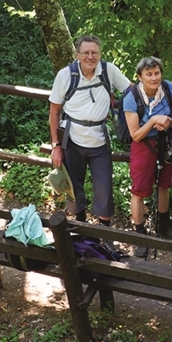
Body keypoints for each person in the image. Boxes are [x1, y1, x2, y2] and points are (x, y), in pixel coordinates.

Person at [49, 35, 131, 226]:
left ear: (100, 54)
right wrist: (56, 145)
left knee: (105, 189)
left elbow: (130, 90)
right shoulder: (65, 75)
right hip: (71, 139)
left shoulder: (108, 70)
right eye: (86, 52)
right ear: (77, 55)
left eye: (94, 52)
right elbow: (54, 112)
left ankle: (104, 233)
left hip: (100, 140)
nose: (90, 56)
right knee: (73, 187)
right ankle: (81, 227)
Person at [123, 56, 172, 255]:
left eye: (157, 73)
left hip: (166, 140)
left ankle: (163, 227)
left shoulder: (168, 88)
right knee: (139, 190)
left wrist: (168, 122)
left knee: (165, 184)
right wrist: (154, 120)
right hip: (143, 143)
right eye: (149, 74)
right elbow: (135, 134)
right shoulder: (131, 97)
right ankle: (139, 234)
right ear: (140, 76)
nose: (154, 78)